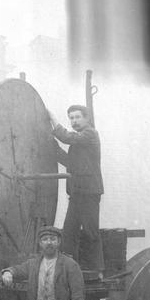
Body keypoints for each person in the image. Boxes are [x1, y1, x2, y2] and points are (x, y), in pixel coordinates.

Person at [47, 104, 104, 272]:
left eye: (77, 117)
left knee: (90, 231)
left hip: (89, 192)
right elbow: (70, 163)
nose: (74, 121)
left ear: (87, 119)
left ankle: (96, 269)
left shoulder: (90, 134)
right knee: (69, 231)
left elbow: (67, 137)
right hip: (77, 193)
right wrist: (53, 148)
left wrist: (53, 121)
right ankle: (70, 268)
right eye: (71, 118)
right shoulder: (80, 141)